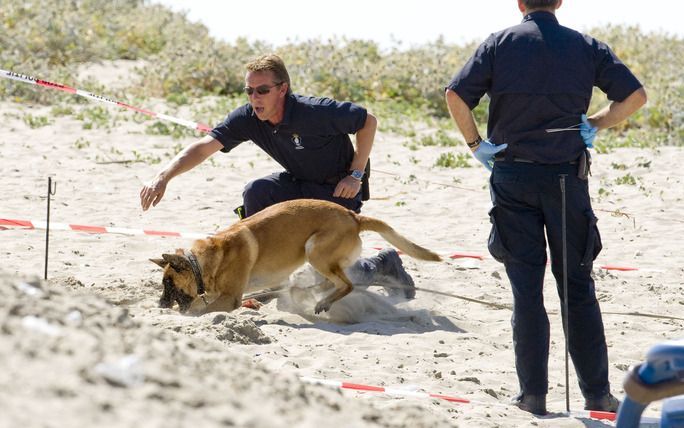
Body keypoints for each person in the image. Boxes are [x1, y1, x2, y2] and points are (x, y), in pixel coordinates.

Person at [444, 0, 646, 415]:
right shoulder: (586, 45)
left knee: (526, 292)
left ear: (520, 3)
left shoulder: (499, 43)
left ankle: (533, 396)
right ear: (559, 2)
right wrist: (596, 123)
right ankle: (597, 395)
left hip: (512, 177)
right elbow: (635, 97)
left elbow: (455, 94)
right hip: (566, 181)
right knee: (577, 289)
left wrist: (475, 145)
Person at [140, 53, 415, 298]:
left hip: (337, 195)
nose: (254, 98)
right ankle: (264, 276)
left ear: (282, 89)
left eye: (262, 90)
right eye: (249, 91)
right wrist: (163, 176)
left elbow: (368, 121)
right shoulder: (248, 117)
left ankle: (385, 263)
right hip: (297, 187)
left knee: (333, 279)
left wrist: (355, 174)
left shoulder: (314, 112)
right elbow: (204, 147)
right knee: (257, 190)